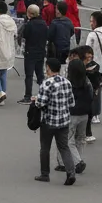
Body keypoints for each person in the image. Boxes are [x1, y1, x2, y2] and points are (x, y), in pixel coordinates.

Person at [33, 57, 76, 185]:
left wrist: (35, 99)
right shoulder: (67, 82)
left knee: (45, 148)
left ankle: (45, 174)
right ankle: (71, 172)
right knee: (64, 147)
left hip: (48, 121)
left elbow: (40, 103)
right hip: (63, 121)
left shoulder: (46, 83)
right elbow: (72, 103)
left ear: (48, 68)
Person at [62, 55, 91, 175]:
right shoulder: (87, 82)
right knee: (80, 138)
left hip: (72, 114)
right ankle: (77, 159)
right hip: (85, 114)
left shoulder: (68, 83)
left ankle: (77, 161)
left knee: (68, 140)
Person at [84, 12, 102, 124]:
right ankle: (96, 114)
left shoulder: (92, 35)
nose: (90, 23)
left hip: (93, 67)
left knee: (90, 90)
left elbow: (87, 50)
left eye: (91, 21)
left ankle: (91, 113)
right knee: (98, 91)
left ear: (95, 22)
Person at [18, 4, 48, 102]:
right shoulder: (44, 24)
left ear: (29, 14)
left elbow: (25, 35)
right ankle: (44, 93)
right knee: (40, 75)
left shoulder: (29, 24)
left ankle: (28, 96)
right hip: (41, 51)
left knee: (29, 75)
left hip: (30, 52)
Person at [48, 1, 75, 65]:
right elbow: (72, 32)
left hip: (56, 50)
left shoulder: (54, 23)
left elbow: (49, 36)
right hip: (66, 49)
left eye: (56, 9)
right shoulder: (69, 21)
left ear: (59, 11)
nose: (55, 10)